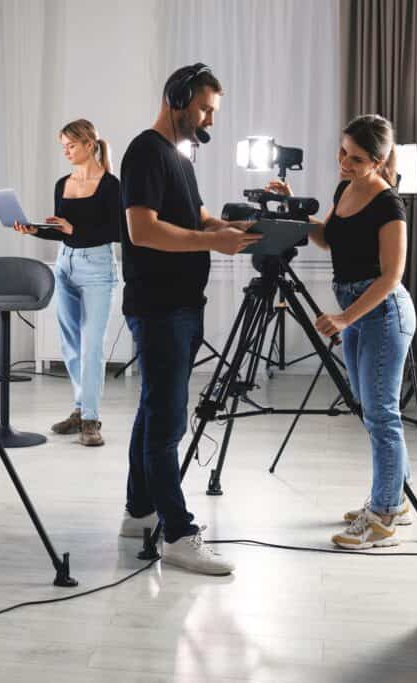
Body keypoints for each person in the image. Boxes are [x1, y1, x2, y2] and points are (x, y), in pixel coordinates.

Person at [118, 64, 261, 575]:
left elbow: (194, 214)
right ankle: (177, 534)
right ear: (176, 98)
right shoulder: (145, 152)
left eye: (212, 111)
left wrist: (228, 227)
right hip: (159, 306)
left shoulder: (179, 155)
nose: (209, 120)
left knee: (154, 411)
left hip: (180, 304)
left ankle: (139, 513)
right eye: (203, 108)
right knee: (168, 422)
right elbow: (143, 231)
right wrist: (211, 241)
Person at [268, 114, 416, 550]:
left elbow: (392, 275)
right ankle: (394, 498)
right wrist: (295, 207)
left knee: (383, 414)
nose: (343, 162)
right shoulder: (344, 190)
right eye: (341, 152)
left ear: (378, 160)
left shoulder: (389, 204)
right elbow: (329, 238)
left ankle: (384, 515)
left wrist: (346, 317)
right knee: (372, 411)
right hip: (357, 310)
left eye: (354, 158)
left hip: (382, 313)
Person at [12, 119, 120, 446]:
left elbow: (118, 232)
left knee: (92, 346)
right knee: (70, 345)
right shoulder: (63, 183)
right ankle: (79, 409)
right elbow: (62, 228)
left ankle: (91, 420)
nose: (67, 152)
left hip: (97, 266)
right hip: (66, 264)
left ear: (90, 144)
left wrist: (75, 231)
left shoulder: (111, 185)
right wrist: (35, 230)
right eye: (63, 146)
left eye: (71, 145)